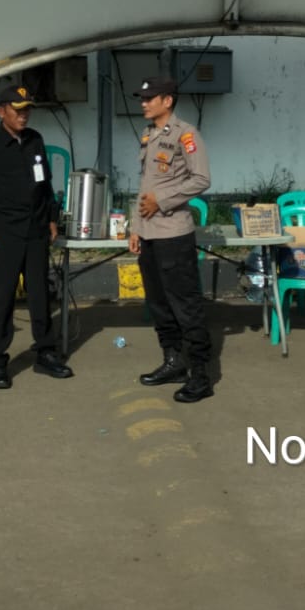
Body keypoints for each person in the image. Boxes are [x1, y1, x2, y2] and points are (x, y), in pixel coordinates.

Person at [0, 84, 71, 389]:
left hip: (35, 230)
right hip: (3, 233)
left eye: (27, 110)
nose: (24, 116)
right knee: (2, 299)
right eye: (18, 110)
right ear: (1, 112)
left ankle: (46, 352)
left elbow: (45, 183)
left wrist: (51, 218)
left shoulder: (35, 140)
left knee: (40, 295)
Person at [127, 75, 213, 402]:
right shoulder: (148, 134)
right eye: (142, 98)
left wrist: (162, 202)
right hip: (149, 235)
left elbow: (201, 179)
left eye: (150, 98)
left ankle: (201, 376)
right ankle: (173, 361)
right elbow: (145, 185)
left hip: (173, 235)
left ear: (168, 100)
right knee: (159, 305)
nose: (144, 103)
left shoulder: (186, 134)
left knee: (185, 306)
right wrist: (135, 227)